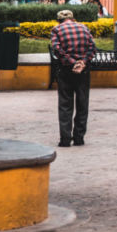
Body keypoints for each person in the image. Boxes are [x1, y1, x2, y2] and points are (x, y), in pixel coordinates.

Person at [50, 9, 96, 147]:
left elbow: (57, 49)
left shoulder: (56, 30)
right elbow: (92, 47)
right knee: (82, 103)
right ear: (73, 18)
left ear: (59, 20)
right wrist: (82, 62)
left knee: (65, 104)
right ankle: (79, 138)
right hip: (83, 70)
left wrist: (72, 62)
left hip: (66, 70)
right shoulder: (84, 28)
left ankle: (65, 139)